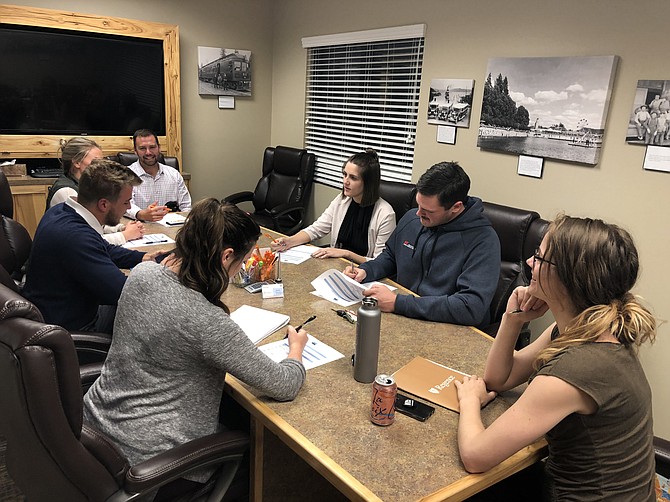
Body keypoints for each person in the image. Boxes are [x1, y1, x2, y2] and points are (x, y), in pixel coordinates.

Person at [83, 199, 307, 494]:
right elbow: (283, 385)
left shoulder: (142, 274)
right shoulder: (206, 321)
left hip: (97, 428)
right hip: (152, 463)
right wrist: (296, 350)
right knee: (261, 457)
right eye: (242, 262)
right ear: (227, 257)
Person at [454, 215, 656, 501]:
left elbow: (475, 456)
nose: (528, 263)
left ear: (569, 277)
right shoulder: (588, 329)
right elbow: (500, 378)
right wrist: (513, 320)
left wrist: (470, 401)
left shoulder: (574, 369)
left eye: (539, 258)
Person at [344, 161, 500, 326]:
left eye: (428, 211)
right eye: (418, 205)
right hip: (405, 316)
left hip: (448, 328)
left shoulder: (483, 241)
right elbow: (391, 256)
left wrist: (398, 303)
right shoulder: (413, 218)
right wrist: (366, 271)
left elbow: (470, 307)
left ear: (456, 207)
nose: (418, 213)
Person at [23, 159, 162, 334]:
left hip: (59, 311)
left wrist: (142, 258)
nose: (128, 209)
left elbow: (103, 247)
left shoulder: (61, 212)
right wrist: (162, 278)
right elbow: (123, 293)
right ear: (103, 204)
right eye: (126, 202)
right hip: (73, 332)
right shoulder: (76, 237)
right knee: (154, 315)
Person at [270, 150, 396, 263]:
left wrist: (346, 254)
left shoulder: (385, 214)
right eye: (344, 174)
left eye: (353, 178)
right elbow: (317, 229)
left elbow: (380, 262)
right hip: (336, 265)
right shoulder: (342, 200)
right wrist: (289, 242)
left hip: (363, 274)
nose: (345, 181)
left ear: (368, 183)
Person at [46, 137, 145, 245]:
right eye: (96, 161)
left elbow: (95, 222)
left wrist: (121, 228)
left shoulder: (88, 186)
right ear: (77, 162)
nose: (101, 166)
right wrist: (125, 235)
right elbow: (85, 240)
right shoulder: (67, 192)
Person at [125, 129, 192, 222]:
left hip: (172, 229)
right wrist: (141, 214)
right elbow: (124, 206)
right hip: (139, 228)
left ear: (159, 148)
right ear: (135, 151)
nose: (148, 152)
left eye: (152, 147)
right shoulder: (126, 176)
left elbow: (186, 207)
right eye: (142, 148)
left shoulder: (174, 175)